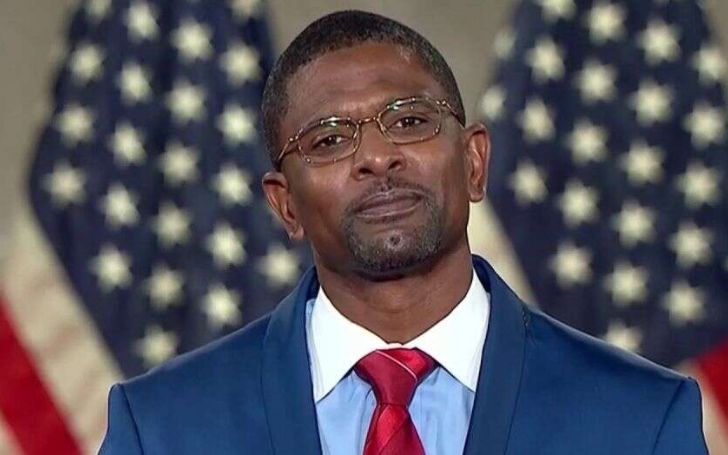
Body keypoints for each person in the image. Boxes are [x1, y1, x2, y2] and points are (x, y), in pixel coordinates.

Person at [99, 10, 708, 455]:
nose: (377, 157)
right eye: (330, 139)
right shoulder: (161, 428)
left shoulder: (641, 419)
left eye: (410, 121)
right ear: (285, 206)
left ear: (473, 162)